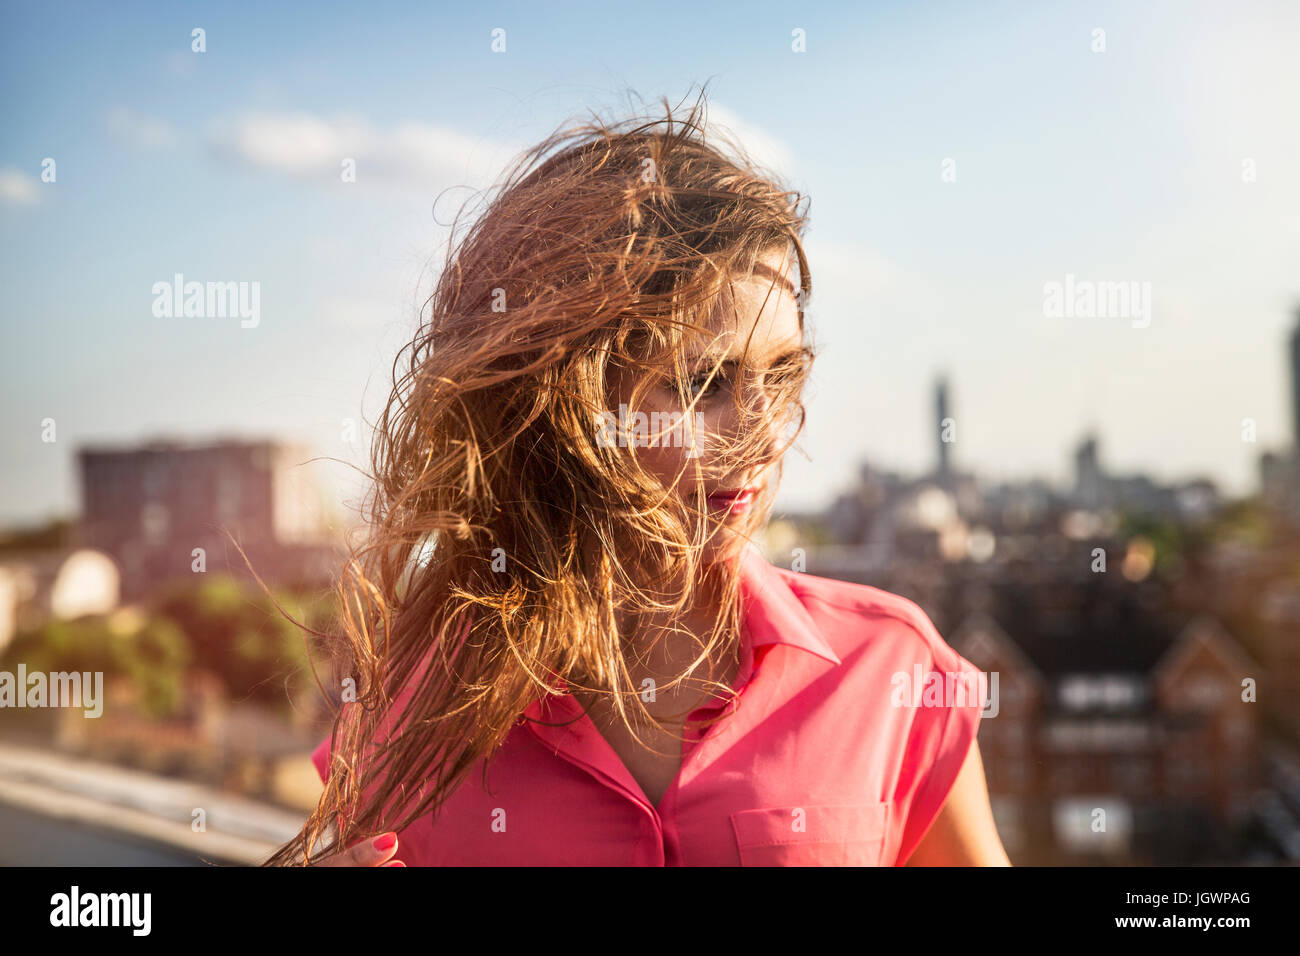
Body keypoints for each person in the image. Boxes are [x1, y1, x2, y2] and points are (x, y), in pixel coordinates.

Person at [267, 92, 1010, 867]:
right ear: (561, 402)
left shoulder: (893, 669)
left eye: (783, 374)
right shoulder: (409, 709)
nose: (765, 431)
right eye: (702, 383)